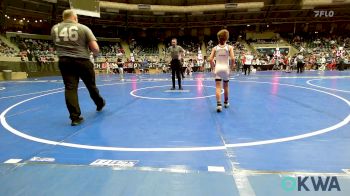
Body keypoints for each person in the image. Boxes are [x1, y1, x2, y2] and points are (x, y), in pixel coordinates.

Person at [51, 9, 105, 126]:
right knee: (91, 86)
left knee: (70, 88)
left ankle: (75, 118)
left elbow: (55, 45)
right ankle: (99, 103)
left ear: (63, 17)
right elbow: (95, 48)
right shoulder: (83, 28)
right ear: (75, 17)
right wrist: (94, 55)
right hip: (82, 60)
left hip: (64, 61)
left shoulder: (54, 29)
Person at [209, 29, 235, 112]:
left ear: (218, 38)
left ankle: (219, 105)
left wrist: (213, 68)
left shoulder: (215, 48)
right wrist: (231, 69)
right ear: (227, 38)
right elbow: (233, 59)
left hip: (218, 68)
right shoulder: (229, 47)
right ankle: (226, 102)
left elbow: (210, 59)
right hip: (226, 68)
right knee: (226, 86)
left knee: (218, 87)